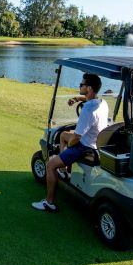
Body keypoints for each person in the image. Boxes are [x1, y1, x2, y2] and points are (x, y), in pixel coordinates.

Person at [32, 72, 108, 212]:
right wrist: (76, 98)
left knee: (50, 165)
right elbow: (87, 100)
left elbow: (76, 138)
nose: (79, 86)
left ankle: (49, 202)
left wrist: (67, 153)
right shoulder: (102, 103)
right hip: (95, 141)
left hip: (85, 147)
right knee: (62, 135)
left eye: (82, 85)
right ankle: (63, 170)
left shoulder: (88, 110)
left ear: (89, 88)